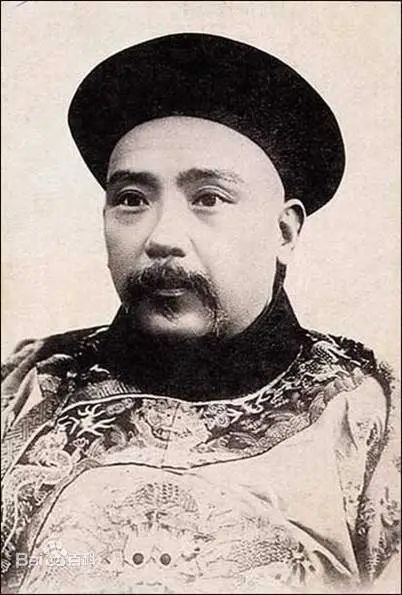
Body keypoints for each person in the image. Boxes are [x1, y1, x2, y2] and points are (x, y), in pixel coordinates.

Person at [1, 33, 400, 594]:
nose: (162, 237)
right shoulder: (23, 386)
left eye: (208, 198)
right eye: (132, 199)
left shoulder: (371, 413)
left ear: (284, 232)